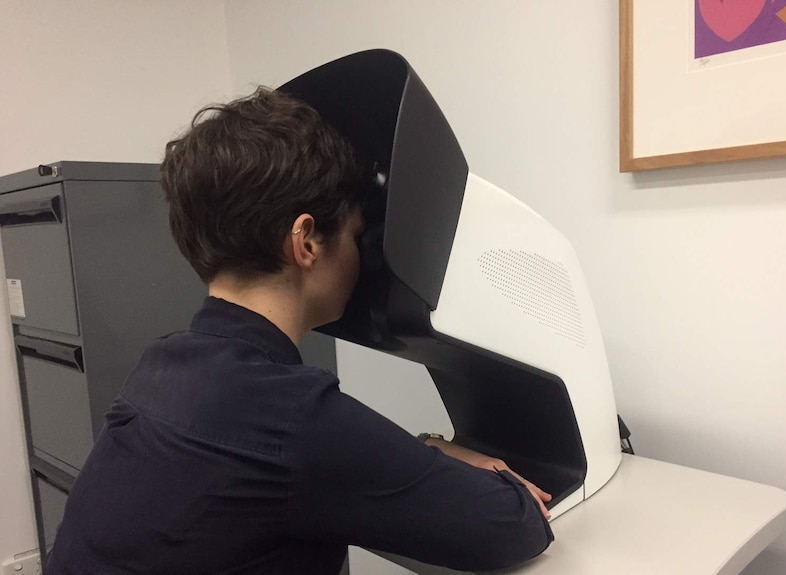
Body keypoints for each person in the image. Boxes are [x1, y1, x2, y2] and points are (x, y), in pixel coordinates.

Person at [45, 88, 554, 575]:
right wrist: (459, 463)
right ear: (306, 241)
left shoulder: (163, 367)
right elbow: (513, 526)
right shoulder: (289, 418)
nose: (361, 254)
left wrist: (426, 448)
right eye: (356, 236)